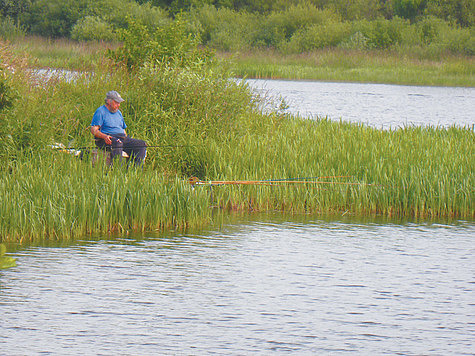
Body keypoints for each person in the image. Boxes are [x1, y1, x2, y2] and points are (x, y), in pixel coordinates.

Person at [90, 90, 146, 166]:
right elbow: (94, 130)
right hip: (107, 139)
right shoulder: (100, 111)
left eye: (119, 103)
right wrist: (105, 136)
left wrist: (127, 139)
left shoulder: (118, 113)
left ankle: (136, 170)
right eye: (116, 102)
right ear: (109, 102)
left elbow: (123, 129)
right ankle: (117, 168)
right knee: (117, 143)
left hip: (121, 138)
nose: (118, 105)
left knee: (141, 144)